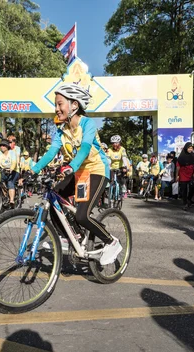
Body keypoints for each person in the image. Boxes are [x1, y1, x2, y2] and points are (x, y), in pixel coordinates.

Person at [31, 83, 122, 265]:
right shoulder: (61, 130)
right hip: (78, 172)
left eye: (59, 104)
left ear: (74, 105)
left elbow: (85, 149)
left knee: (82, 215)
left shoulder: (87, 123)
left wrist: (71, 166)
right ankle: (74, 236)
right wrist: (32, 170)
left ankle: (112, 242)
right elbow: (50, 153)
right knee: (53, 200)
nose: (56, 109)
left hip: (96, 170)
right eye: (56, 105)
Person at [175, 142, 194, 208]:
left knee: (192, 188)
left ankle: (189, 199)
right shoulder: (181, 157)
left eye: (191, 148)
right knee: (184, 188)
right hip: (183, 174)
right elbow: (178, 167)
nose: (190, 149)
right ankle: (185, 202)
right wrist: (177, 175)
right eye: (189, 148)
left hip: (191, 173)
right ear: (186, 148)